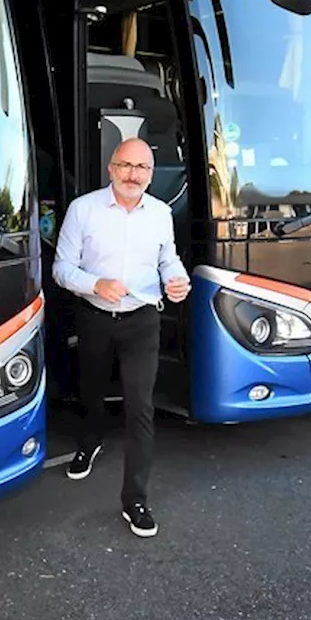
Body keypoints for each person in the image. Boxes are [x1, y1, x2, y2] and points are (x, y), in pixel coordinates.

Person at [51, 136, 190, 538]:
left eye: (142, 168)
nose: (134, 175)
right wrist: (96, 284)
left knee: (140, 406)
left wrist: (176, 279)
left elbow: (169, 259)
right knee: (91, 389)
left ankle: (136, 499)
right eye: (126, 166)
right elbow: (61, 268)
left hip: (142, 318)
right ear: (111, 168)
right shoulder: (84, 210)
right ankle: (89, 442)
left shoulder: (161, 213)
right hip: (94, 315)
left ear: (151, 173)